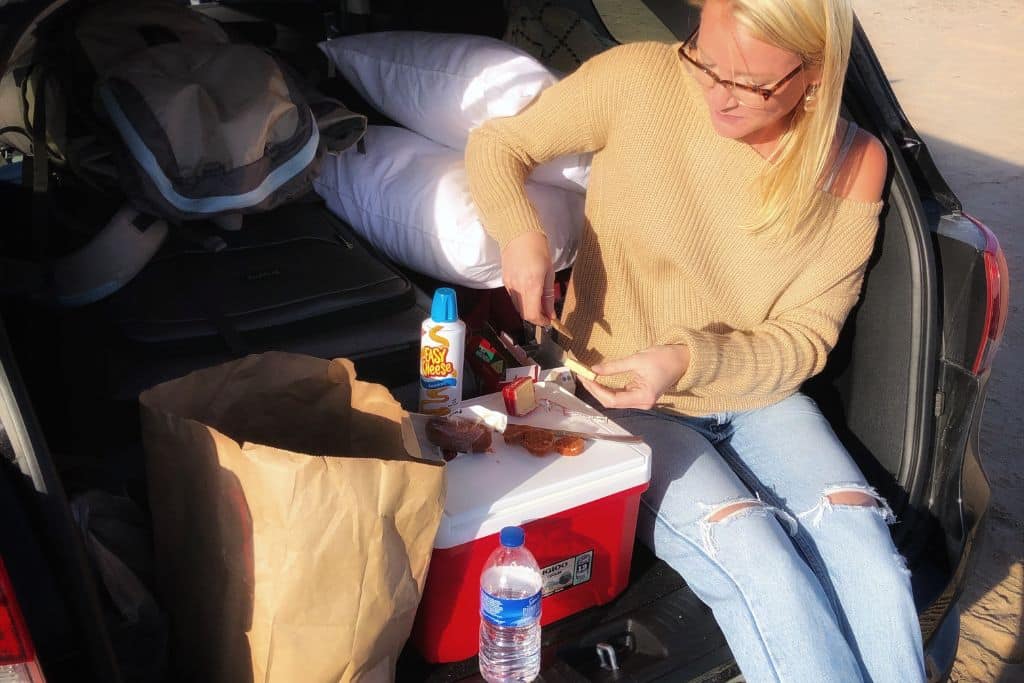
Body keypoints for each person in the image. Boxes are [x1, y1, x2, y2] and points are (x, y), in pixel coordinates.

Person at [465, 0, 926, 680]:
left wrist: (684, 357)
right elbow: (497, 144)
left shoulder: (854, 161)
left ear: (816, 74)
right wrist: (521, 232)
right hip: (620, 392)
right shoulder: (639, 80)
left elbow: (805, 336)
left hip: (761, 393)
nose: (716, 92)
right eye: (706, 59)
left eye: (748, 82)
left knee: (865, 548)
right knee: (755, 555)